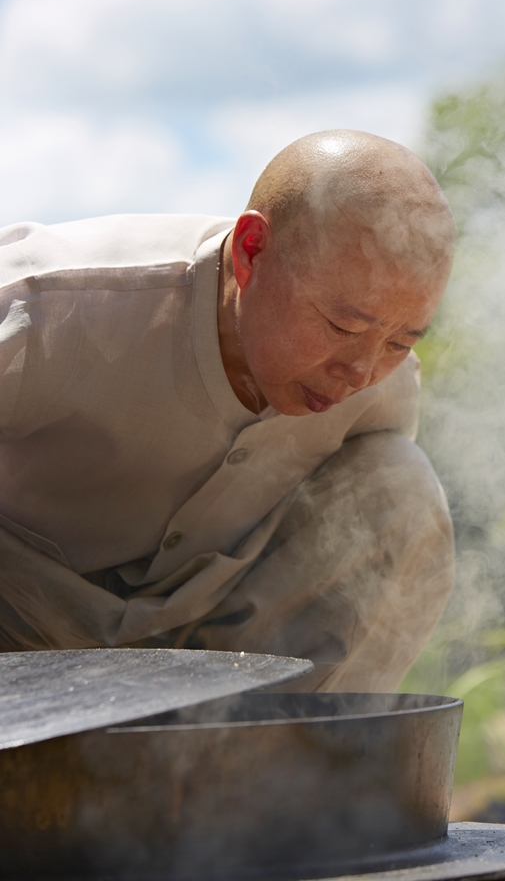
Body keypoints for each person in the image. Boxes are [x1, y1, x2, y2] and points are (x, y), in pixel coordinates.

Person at [0, 130, 455, 692]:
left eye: (400, 341)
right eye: (343, 326)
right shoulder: (45, 305)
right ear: (251, 250)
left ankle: (282, 745)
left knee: (402, 492)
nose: (360, 372)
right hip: (22, 617)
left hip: (217, 650)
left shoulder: (381, 387)